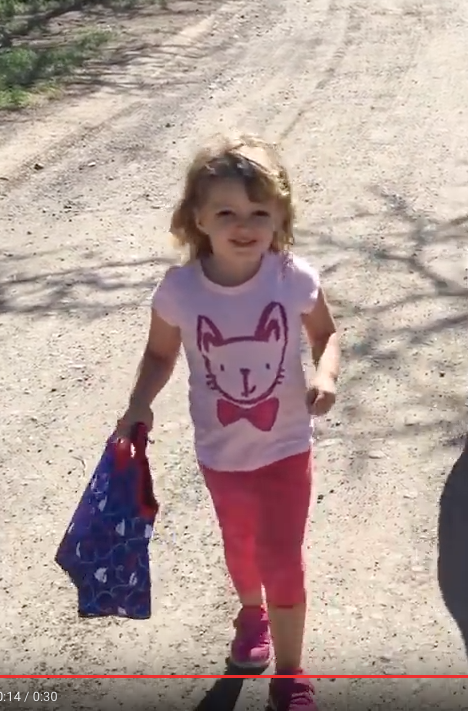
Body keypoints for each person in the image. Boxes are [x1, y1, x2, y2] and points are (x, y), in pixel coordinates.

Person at [116, 133, 340, 711]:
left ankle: (289, 677)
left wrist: (325, 375)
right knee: (240, 550)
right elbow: (161, 354)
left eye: (259, 212)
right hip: (220, 454)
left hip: (288, 445)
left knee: (283, 559)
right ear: (199, 218)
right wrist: (140, 402)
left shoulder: (292, 277)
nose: (245, 225)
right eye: (227, 212)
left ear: (280, 216)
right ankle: (250, 614)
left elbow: (327, 334)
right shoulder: (180, 291)